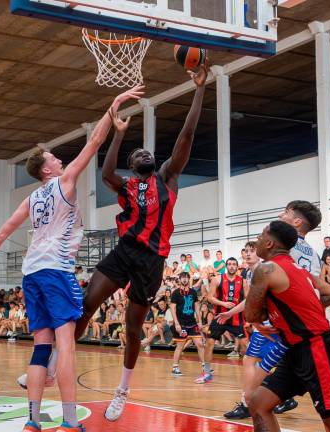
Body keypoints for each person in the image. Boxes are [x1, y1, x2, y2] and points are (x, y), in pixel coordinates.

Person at [0, 87, 144, 432]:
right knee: (66, 346)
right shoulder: (64, 182)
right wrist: (112, 109)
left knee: (41, 347)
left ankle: (33, 421)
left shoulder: (33, 198)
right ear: (47, 170)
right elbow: (93, 144)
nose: (59, 159)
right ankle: (68, 420)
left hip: (32, 273)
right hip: (55, 271)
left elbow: (5, 231)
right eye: (53, 157)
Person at [60, 66, 210, 422]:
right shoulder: (126, 185)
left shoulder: (168, 178)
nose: (144, 152)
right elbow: (106, 173)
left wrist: (200, 90)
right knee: (84, 306)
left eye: (146, 150)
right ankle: (54, 364)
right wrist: (117, 132)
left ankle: (122, 390)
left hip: (152, 260)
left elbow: (186, 136)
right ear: (133, 165)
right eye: (137, 152)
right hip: (125, 251)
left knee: (131, 327)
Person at [245, 221, 330, 432]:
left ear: (269, 243)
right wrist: (295, 311)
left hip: (317, 348)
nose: (257, 240)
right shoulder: (300, 270)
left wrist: (280, 314)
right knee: (258, 402)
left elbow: (251, 314)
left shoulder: (265, 269)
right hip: (296, 350)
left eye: (260, 237)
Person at [218, 241, 296, 420]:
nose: (247, 254)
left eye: (252, 251)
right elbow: (251, 300)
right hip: (270, 323)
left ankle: (247, 404)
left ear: (259, 254)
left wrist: (240, 315)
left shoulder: (263, 269)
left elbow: (258, 300)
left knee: (250, 361)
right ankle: (286, 398)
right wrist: (230, 312)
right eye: (245, 251)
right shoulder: (252, 272)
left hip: (269, 324)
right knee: (265, 363)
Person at [204, 257, 247, 380]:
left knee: (245, 346)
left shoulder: (243, 281)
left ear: (237, 266)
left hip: (237, 319)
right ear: (226, 266)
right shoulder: (217, 279)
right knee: (209, 343)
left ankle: (252, 370)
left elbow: (247, 299)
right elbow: (209, 298)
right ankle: (207, 371)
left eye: (234, 264)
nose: (231, 266)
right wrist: (224, 304)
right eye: (229, 264)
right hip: (220, 318)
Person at [169, 272, 203, 376]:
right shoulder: (175, 293)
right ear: (179, 279)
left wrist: (200, 321)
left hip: (192, 323)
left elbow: (197, 307)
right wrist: (177, 323)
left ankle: (205, 367)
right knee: (180, 346)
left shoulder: (193, 292)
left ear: (189, 279)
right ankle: (175, 367)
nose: (184, 279)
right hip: (181, 323)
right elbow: (172, 309)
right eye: (183, 278)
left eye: (186, 278)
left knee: (200, 344)